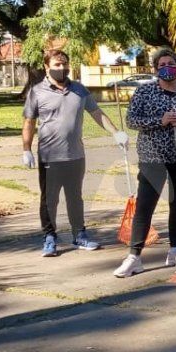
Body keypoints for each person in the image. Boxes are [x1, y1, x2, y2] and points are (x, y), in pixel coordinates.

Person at [22, 50, 127, 257]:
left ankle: (79, 235)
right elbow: (29, 122)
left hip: (75, 155)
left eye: (64, 64)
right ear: (46, 67)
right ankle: (50, 238)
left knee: (75, 198)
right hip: (50, 156)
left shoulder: (79, 90)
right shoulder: (37, 91)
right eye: (57, 64)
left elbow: (96, 113)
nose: (61, 68)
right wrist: (26, 149)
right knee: (49, 200)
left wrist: (116, 133)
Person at [114, 48, 176, 277]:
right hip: (152, 157)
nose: (167, 68)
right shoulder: (145, 92)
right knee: (145, 206)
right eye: (162, 65)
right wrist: (159, 121)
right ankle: (134, 256)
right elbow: (132, 120)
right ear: (155, 69)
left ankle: (175, 250)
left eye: (171, 64)